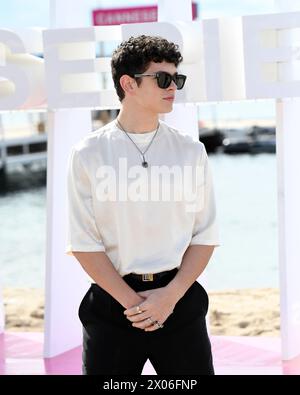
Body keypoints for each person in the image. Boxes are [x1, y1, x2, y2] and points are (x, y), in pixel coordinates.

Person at [66, 35, 220, 375]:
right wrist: (135, 305)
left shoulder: (191, 151)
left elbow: (205, 235)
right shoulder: (88, 154)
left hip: (179, 303)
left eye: (176, 79)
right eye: (163, 79)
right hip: (112, 306)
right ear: (128, 84)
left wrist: (168, 298)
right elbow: (83, 243)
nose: (173, 87)